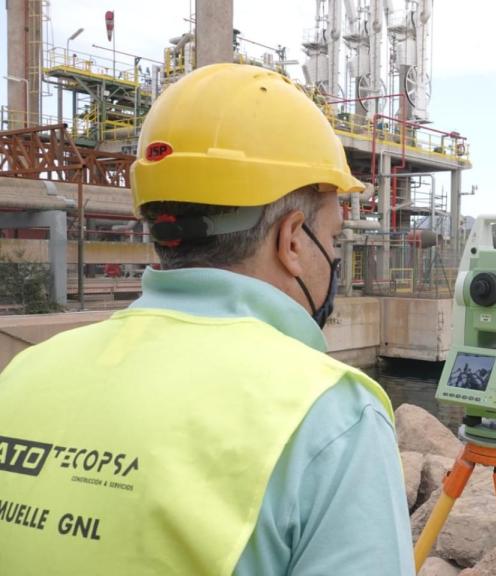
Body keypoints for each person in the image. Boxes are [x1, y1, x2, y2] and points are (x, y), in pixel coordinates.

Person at [0, 64, 414, 575]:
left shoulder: (26, 373)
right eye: (331, 241)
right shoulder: (329, 416)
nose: (332, 260)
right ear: (291, 241)